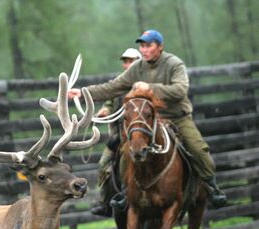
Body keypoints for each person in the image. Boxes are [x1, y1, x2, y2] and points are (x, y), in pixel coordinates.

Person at [69, 29, 227, 209]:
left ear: (160, 47)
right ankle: (125, 192)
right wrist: (83, 92)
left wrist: (149, 87)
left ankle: (212, 187)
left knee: (198, 149)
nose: (144, 50)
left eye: (148, 45)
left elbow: (180, 90)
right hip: (148, 119)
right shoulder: (137, 67)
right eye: (142, 46)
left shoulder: (174, 64)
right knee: (125, 151)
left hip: (177, 117)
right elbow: (113, 86)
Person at [90, 48, 142, 217]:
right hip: (120, 136)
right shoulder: (119, 83)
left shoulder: (147, 83)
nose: (127, 64)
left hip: (143, 136)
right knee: (103, 164)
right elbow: (110, 103)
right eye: (125, 61)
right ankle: (105, 202)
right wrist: (105, 110)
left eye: (131, 61)